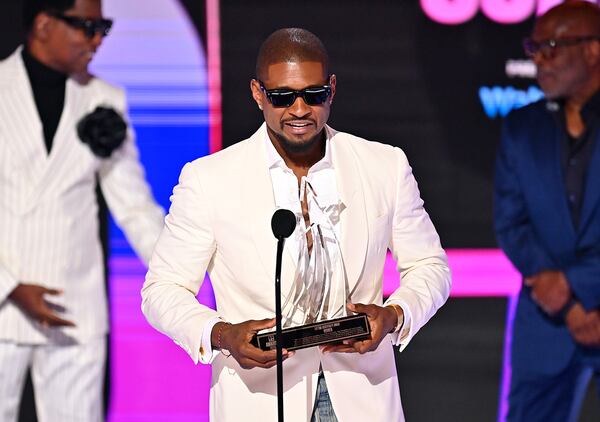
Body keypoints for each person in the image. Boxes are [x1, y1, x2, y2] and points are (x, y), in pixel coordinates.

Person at [142, 27, 451, 422]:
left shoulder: (383, 165)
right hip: (258, 400)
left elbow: (431, 266)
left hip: (364, 398)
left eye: (314, 94)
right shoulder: (209, 179)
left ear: (332, 89)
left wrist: (395, 315)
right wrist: (221, 335)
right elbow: (161, 291)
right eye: (282, 97)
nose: (300, 109)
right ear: (258, 93)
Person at [0, 0, 164, 421]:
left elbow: (133, 204)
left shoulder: (104, 99)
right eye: (87, 26)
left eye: (103, 27)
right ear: (42, 24)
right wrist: (11, 286)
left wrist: (178, 269)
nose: (97, 39)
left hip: (73, 305)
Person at [494, 1, 600, 421]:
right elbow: (511, 222)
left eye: (552, 47)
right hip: (548, 318)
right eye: (535, 48)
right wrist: (569, 304)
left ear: (593, 50)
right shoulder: (521, 127)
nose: (539, 59)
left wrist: (577, 286)